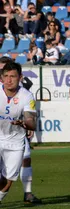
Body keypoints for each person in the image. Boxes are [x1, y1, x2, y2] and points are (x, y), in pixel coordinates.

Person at [0, 61, 37, 204]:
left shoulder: (26, 96)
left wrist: (24, 123)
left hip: (15, 141)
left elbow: (32, 122)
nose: (9, 80)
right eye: (6, 76)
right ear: (2, 77)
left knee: (7, 180)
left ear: (20, 77)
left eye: (13, 76)